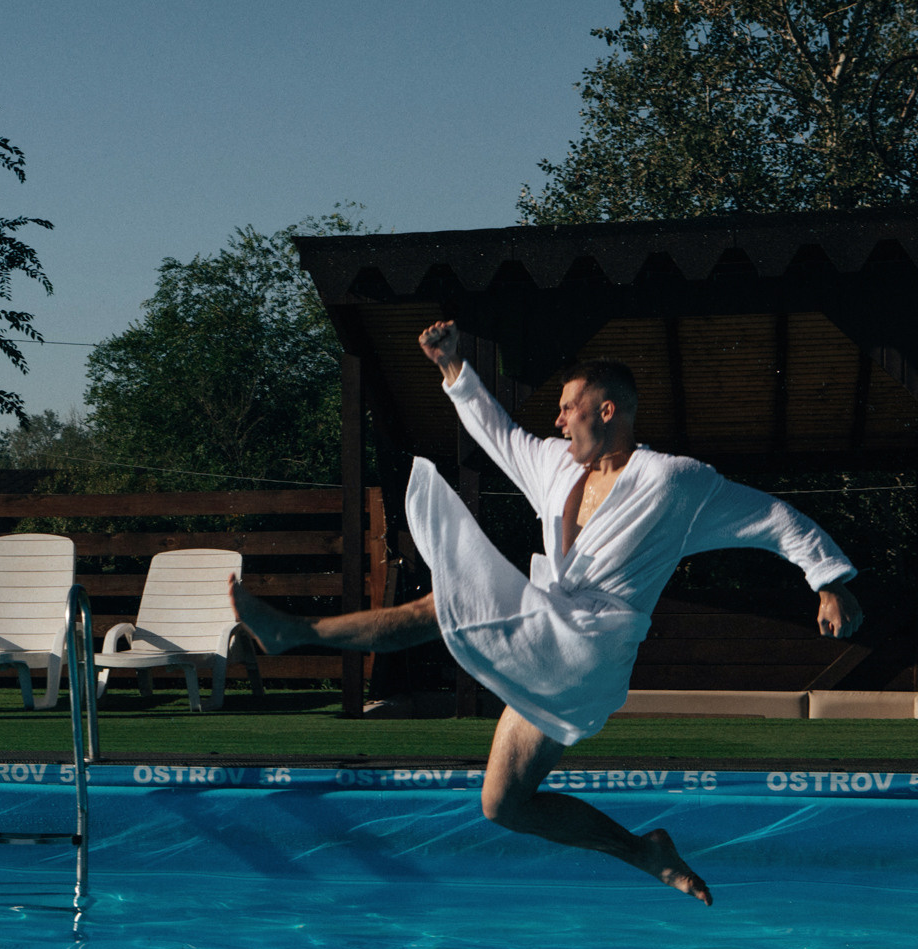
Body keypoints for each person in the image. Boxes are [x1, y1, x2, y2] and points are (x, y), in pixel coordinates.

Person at [231, 320, 863, 906]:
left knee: (446, 604)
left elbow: (774, 518)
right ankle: (646, 852)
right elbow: (499, 434)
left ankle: (292, 633)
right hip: (548, 647)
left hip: (592, 646)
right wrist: (455, 371)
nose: (558, 420)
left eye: (568, 406)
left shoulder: (673, 482)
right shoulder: (556, 467)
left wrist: (828, 579)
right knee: (503, 804)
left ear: (606, 409)